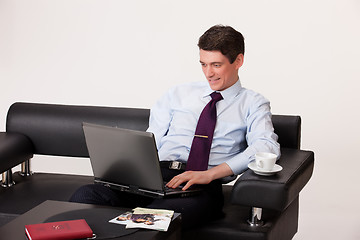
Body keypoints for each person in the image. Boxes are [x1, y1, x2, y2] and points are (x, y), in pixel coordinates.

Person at [69, 25, 280, 229]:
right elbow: (154, 137)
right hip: (156, 176)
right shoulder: (178, 93)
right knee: (85, 196)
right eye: (203, 64)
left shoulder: (253, 103)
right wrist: (130, 169)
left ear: (238, 60)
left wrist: (210, 174)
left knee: (154, 218)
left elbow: (265, 146)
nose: (208, 73)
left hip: (201, 186)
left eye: (216, 65)